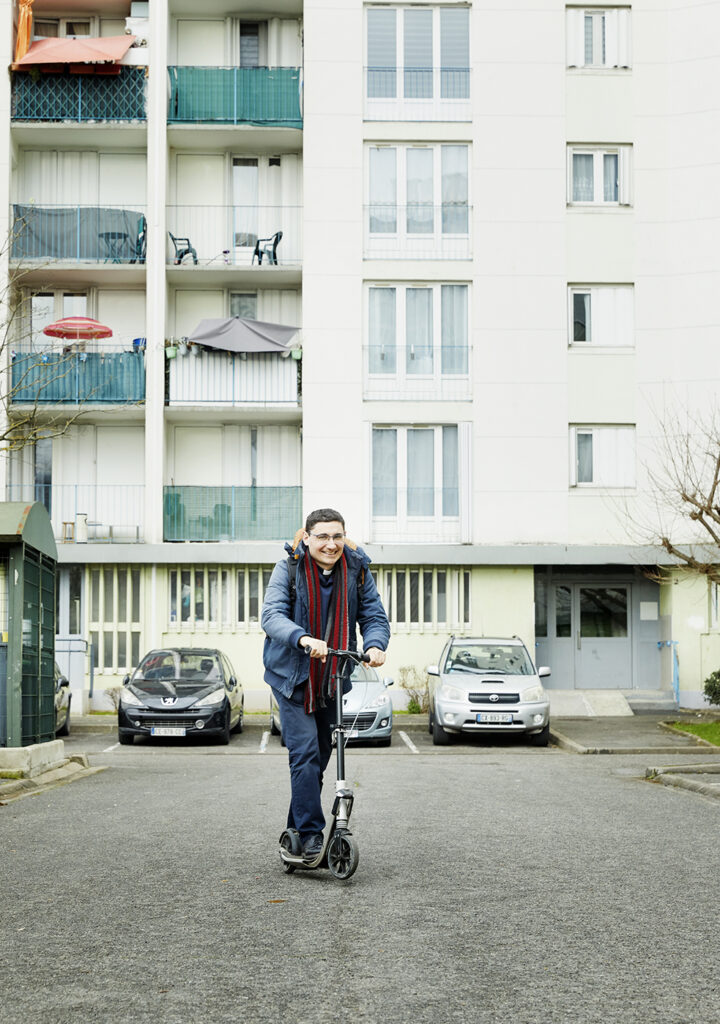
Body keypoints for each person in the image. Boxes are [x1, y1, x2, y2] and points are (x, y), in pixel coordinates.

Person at [261, 508, 390, 861]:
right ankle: (311, 835)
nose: (330, 545)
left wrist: (376, 644)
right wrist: (302, 638)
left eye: (337, 536)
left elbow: (373, 615)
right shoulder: (288, 568)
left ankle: (295, 832)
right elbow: (271, 615)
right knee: (304, 754)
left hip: (332, 678)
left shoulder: (357, 570)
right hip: (293, 677)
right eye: (322, 537)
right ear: (307, 537)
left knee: (317, 760)